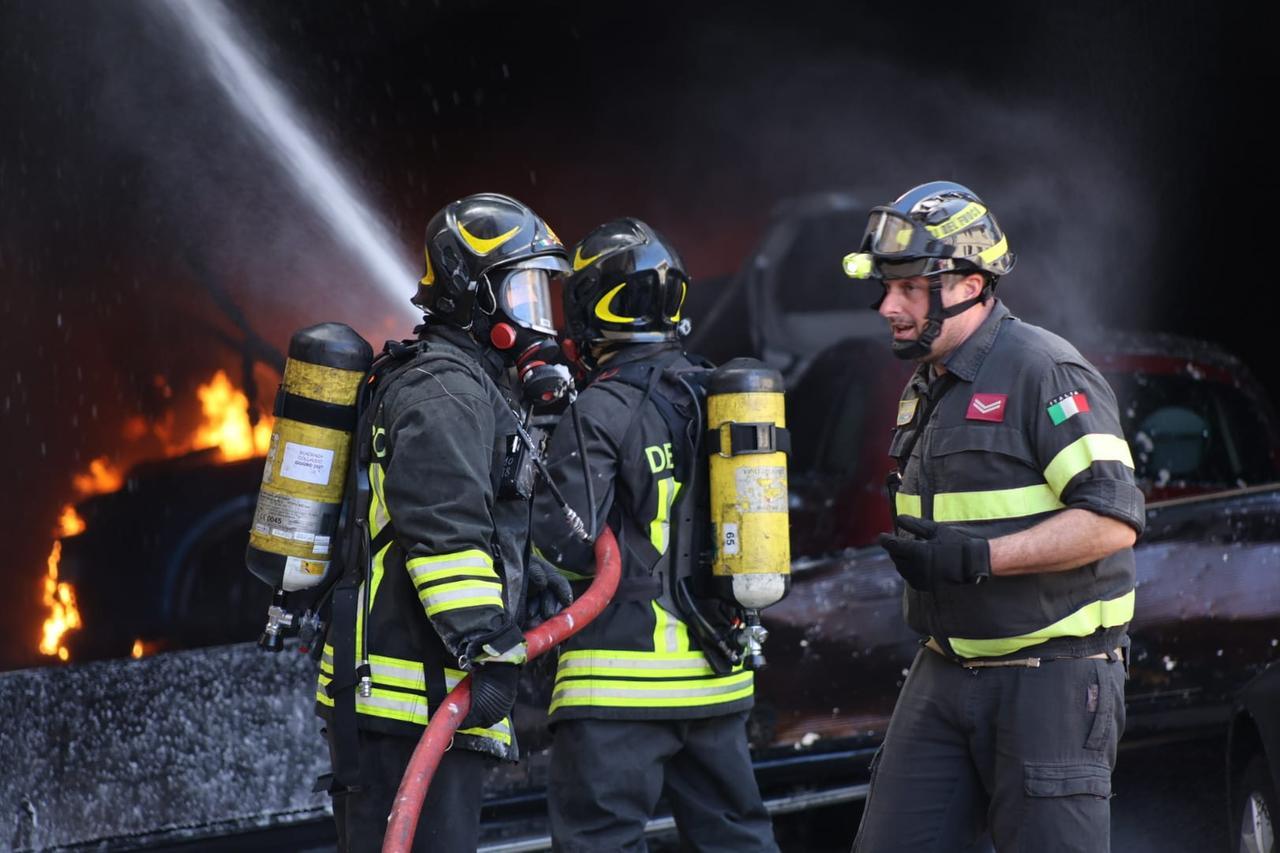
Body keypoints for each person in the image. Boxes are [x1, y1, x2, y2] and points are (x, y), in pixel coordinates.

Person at [841, 181, 1144, 852]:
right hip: (944, 669)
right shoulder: (928, 382)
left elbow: (1112, 520)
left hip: (1051, 680)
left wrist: (981, 557)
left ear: (970, 283)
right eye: (886, 287)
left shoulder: (1046, 372)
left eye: (909, 288)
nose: (887, 305)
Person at [315, 192, 573, 852]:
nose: (541, 321)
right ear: (474, 295)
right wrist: (488, 639)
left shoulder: (474, 384)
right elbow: (441, 531)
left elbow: (469, 518)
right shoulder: (446, 389)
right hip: (404, 704)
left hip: (417, 701)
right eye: (525, 296)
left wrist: (528, 575)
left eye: (546, 298)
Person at [532, 218, 778, 853]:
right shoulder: (719, 394)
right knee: (737, 841)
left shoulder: (601, 409)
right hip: (719, 681)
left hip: (618, 687)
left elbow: (562, 545)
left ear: (593, 307)